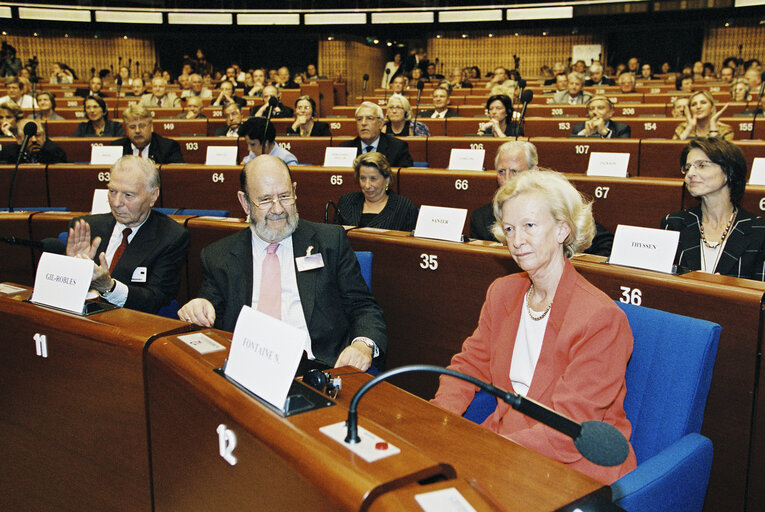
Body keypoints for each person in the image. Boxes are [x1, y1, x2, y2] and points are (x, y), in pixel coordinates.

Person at [434, 168, 636, 484]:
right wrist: (437, 419)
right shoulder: (502, 292)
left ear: (562, 230)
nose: (516, 241)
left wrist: (479, 449)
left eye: (529, 226)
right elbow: (469, 366)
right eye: (510, 228)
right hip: (507, 443)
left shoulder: (601, 318)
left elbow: (569, 431)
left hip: (573, 467)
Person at [178, 155, 387, 370]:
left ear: (295, 191)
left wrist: (363, 345)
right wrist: (200, 307)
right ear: (245, 202)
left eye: (285, 196)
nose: (278, 209)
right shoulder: (219, 256)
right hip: (247, 368)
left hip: (317, 368)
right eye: (266, 199)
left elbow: (364, 307)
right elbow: (209, 305)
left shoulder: (329, 241)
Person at [64, 155, 190, 313]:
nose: (116, 203)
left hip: (128, 323)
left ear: (153, 196)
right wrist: (72, 269)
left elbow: (155, 298)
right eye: (112, 191)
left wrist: (109, 287)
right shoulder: (87, 227)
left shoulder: (171, 237)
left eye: (128, 195)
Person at [469, 141, 613, 256]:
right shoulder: (480, 218)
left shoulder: (555, 206)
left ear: (534, 171)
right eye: (501, 172)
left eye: (514, 171)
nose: (507, 179)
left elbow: (605, 243)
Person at [661, 138, 765, 280]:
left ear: (729, 172)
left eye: (702, 165)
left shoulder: (759, 231)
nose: (690, 174)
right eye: (687, 167)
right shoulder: (673, 223)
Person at [336, 152, 418, 231]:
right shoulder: (347, 201)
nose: (367, 185)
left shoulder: (404, 207)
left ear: (387, 180)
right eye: (363, 178)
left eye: (373, 179)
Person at [339, 101, 413, 167]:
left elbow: (404, 179)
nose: (363, 123)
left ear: (380, 124)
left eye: (369, 118)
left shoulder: (398, 147)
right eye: (359, 119)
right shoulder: (345, 149)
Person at [111, 104, 185, 164]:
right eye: (132, 127)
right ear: (126, 130)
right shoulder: (116, 147)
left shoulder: (168, 147)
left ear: (151, 127)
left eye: (142, 126)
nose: (137, 131)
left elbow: (176, 177)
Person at [0, 118, 67, 164]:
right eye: (29, 136)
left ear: (44, 136)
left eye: (37, 135)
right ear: (18, 139)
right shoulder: (7, 153)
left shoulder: (55, 153)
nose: (34, 140)